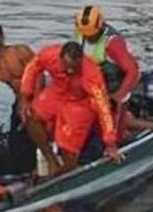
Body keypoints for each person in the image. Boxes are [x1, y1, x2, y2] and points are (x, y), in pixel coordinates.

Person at [20, 42, 122, 176]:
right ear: (60, 58)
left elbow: (103, 107)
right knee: (30, 115)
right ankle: (51, 160)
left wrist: (110, 142)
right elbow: (32, 68)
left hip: (80, 102)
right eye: (66, 67)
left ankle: (65, 173)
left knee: (68, 148)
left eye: (74, 68)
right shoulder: (49, 54)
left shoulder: (91, 75)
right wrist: (25, 96)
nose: (69, 71)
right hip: (57, 91)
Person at [73, 6, 153, 140]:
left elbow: (132, 71)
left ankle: (149, 126)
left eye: (91, 35)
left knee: (116, 131)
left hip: (114, 84)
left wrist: (118, 96)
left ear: (100, 27)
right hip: (94, 85)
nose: (88, 38)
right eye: (85, 34)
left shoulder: (112, 43)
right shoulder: (80, 34)